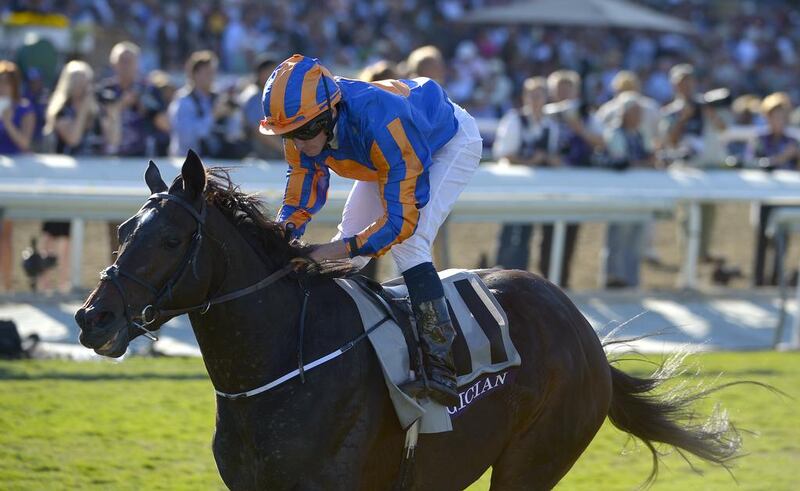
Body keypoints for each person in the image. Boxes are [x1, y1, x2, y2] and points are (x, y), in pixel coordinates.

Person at [260, 54, 482, 406]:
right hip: (381, 152)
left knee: (410, 244)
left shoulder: (385, 123)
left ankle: (440, 363)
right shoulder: (303, 124)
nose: (298, 144)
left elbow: (399, 222)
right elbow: (303, 187)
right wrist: (281, 233)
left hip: (446, 141)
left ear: (330, 111)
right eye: (288, 135)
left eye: (303, 132)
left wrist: (334, 251)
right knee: (349, 240)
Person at [42, 60, 107, 293]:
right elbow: (73, 138)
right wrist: (82, 110)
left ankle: (65, 282)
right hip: (61, 178)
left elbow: (108, 141)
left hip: (85, 179)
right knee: (52, 232)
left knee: (71, 235)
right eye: (77, 81)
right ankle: (45, 281)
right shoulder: (61, 109)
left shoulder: (94, 112)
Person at [540, 70, 604, 288]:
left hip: (578, 179)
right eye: (559, 88)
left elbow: (600, 142)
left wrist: (579, 128)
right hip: (549, 180)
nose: (564, 93)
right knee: (547, 232)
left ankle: (563, 281)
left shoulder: (587, 116)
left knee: (570, 231)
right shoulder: (546, 115)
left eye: (568, 88)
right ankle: (545, 280)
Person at [660, 63, 727, 264]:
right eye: (681, 83)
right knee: (687, 215)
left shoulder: (705, 106)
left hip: (707, 166)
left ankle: (703, 252)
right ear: (674, 86)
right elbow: (669, 141)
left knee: (708, 212)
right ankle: (687, 255)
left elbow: (722, 129)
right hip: (685, 167)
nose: (686, 87)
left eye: (689, 82)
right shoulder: (671, 111)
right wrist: (683, 119)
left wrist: (709, 112)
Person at [492, 76, 557, 270]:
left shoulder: (549, 125)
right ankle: (502, 269)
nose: (536, 100)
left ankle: (520, 273)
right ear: (524, 97)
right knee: (510, 232)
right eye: (532, 95)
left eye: (540, 95)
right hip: (513, 186)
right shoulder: (514, 120)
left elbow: (550, 154)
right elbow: (504, 154)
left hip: (536, 188)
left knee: (527, 232)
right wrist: (531, 161)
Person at [602, 93, 657, 288]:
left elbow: (649, 157)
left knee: (636, 238)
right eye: (634, 112)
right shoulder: (615, 133)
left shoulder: (639, 134)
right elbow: (621, 160)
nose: (638, 117)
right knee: (619, 237)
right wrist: (645, 163)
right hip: (621, 194)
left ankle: (631, 279)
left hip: (640, 193)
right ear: (624, 113)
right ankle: (613, 277)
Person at [747, 92, 800, 286]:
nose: (778, 119)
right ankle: (758, 280)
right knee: (762, 238)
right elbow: (755, 164)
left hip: (786, 196)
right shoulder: (760, 138)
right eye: (774, 115)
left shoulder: (793, 140)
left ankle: (776, 280)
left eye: (781, 115)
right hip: (765, 195)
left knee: (783, 239)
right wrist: (782, 158)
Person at [96, 41, 170, 157]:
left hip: (142, 156)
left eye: (129, 61)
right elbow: (100, 122)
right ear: (113, 64)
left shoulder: (149, 89)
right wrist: (122, 104)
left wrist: (146, 107)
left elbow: (165, 125)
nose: (125, 66)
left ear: (137, 64)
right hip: (110, 155)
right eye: (121, 61)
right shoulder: (104, 89)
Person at [0, 60, 36, 293]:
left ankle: (6, 285)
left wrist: (5, 120)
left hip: (13, 179)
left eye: (7, 83)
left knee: (5, 235)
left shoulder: (24, 109)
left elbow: (24, 143)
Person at [168, 50, 235, 158]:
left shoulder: (218, 98)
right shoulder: (183, 100)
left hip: (215, 161)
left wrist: (231, 114)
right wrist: (213, 116)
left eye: (213, 72)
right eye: (207, 73)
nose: (212, 77)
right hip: (187, 163)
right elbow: (186, 138)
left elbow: (233, 134)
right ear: (194, 74)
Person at [238, 55, 283, 160]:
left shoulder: (266, 94)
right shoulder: (254, 96)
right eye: (273, 73)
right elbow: (259, 131)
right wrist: (285, 151)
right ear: (261, 74)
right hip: (259, 155)